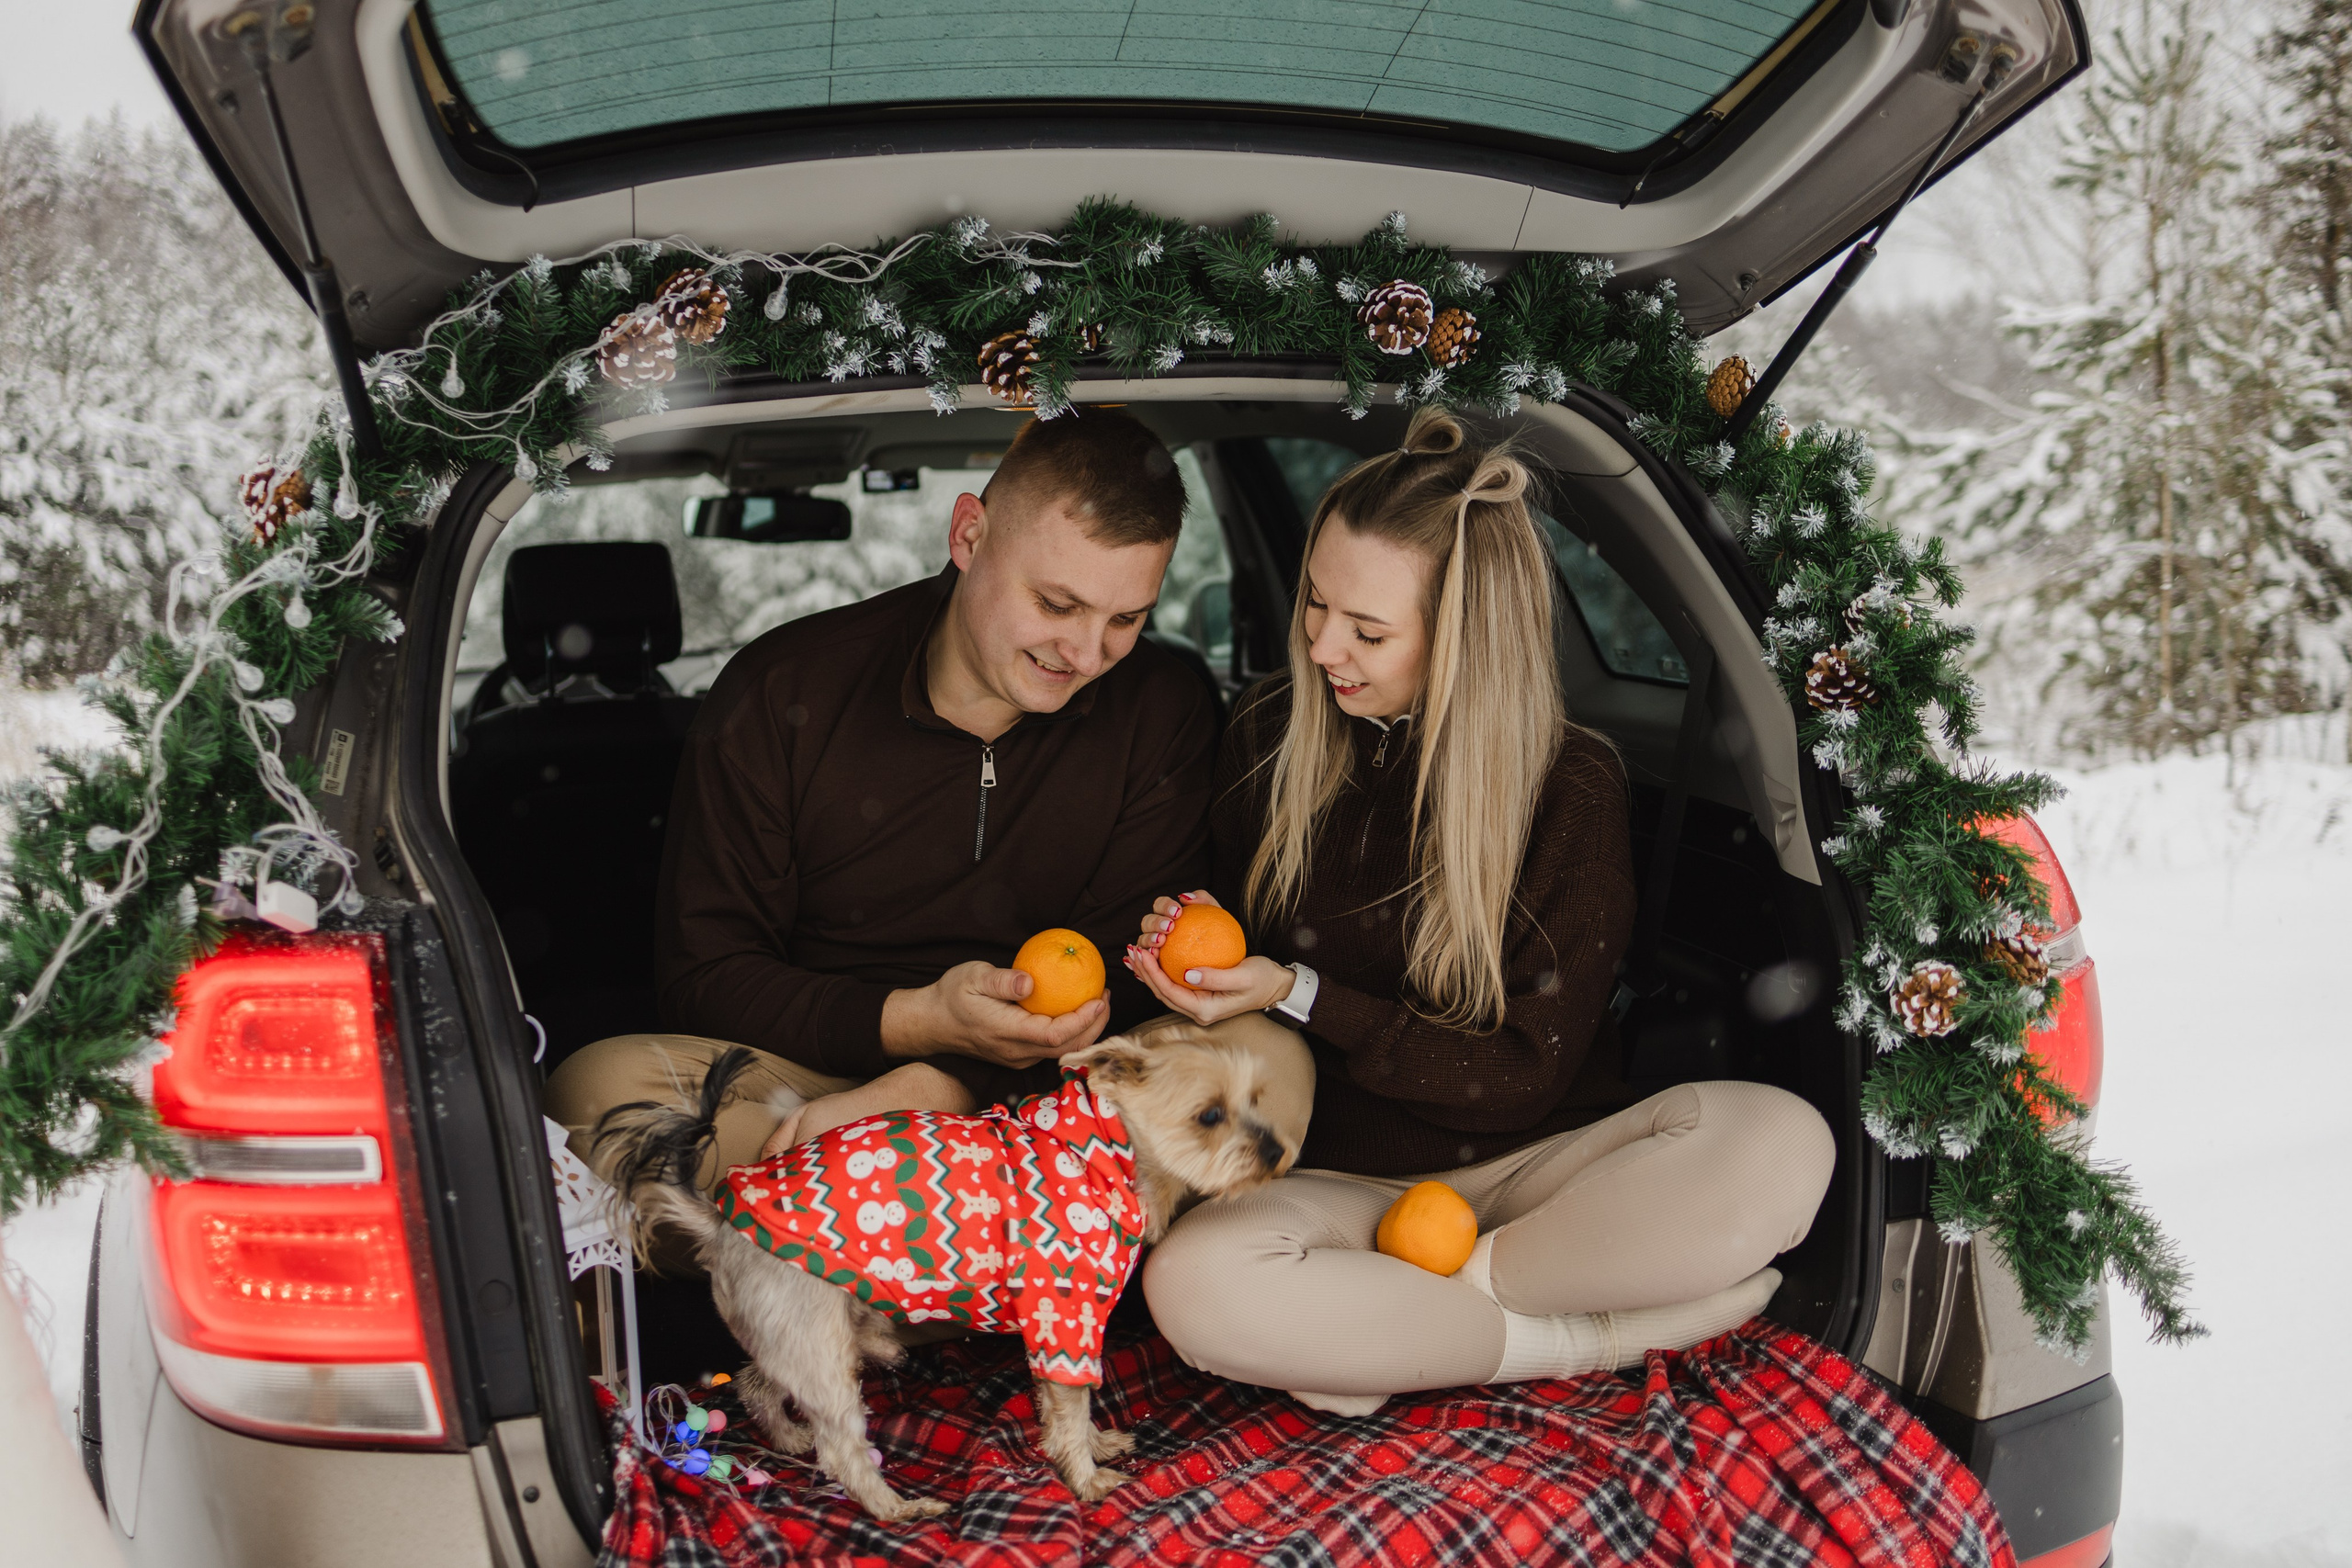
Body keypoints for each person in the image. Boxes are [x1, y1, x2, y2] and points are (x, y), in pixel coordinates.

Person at [1122, 409, 1836, 1414]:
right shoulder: (1270, 734)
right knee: (1192, 1286)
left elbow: (1519, 1077)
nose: (1323, 645)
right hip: (1338, 1183)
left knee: (1781, 1142)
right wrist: (1197, 976)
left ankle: (1416, 1324)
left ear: (1464, 639)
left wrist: (1304, 992)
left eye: (1368, 630)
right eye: (1316, 604)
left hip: (1538, 1170)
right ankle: (1577, 1334)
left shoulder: (1571, 785)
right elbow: (1235, 978)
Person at [546, 410, 1224, 1190]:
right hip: (807, 1079)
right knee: (597, 1104)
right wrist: (914, 1023)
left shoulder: (1160, 706)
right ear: (968, 536)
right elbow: (708, 975)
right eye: (1056, 604)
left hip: (1057, 1091)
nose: (1085, 654)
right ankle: (974, 1234)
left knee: (1255, 1062)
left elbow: (1134, 975)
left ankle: (843, 1221)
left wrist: (948, 1087)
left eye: (1126, 619)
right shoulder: (781, 690)